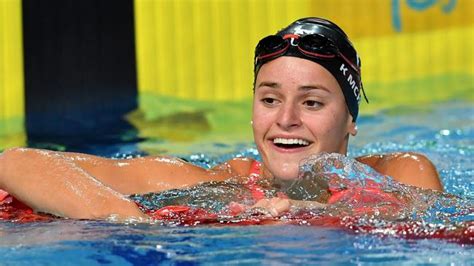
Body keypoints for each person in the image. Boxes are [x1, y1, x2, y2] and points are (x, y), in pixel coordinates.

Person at [0, 17, 442, 222]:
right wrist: (136, 221)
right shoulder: (219, 185)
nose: (285, 120)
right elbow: (15, 162)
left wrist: (302, 214)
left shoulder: (400, 173)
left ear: (350, 120)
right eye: (270, 100)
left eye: (311, 103)